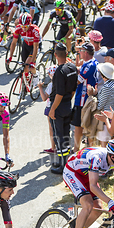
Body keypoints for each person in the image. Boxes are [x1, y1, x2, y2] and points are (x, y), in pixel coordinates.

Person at [49, 43, 78, 174]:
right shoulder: (72, 67)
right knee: (66, 135)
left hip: (59, 107)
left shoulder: (59, 72)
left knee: (59, 136)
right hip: (68, 105)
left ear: (56, 55)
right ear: (66, 53)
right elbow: (73, 89)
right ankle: (64, 161)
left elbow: (59, 94)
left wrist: (53, 108)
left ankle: (62, 166)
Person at [72, 42, 99, 152]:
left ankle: (76, 150)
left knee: (79, 126)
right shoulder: (92, 62)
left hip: (83, 100)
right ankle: (88, 149)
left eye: (81, 51)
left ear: (86, 53)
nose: (79, 52)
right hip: (87, 98)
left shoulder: (89, 66)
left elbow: (78, 81)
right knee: (87, 126)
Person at [89, 63, 114, 147]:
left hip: (104, 116)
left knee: (104, 145)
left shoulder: (107, 87)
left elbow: (100, 105)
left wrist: (93, 97)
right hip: (112, 114)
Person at [7, 12, 42, 86]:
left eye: (26, 26)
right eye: (22, 26)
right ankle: (26, 84)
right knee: (24, 66)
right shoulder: (18, 28)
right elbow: (13, 43)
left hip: (35, 46)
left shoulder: (35, 30)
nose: (23, 28)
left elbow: (36, 47)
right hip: (26, 45)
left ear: (30, 24)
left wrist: (32, 62)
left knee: (28, 65)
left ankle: (36, 76)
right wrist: (10, 57)